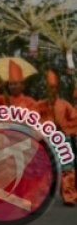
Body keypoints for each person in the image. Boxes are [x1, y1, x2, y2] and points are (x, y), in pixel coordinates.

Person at [37, 69, 77, 206]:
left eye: (53, 88)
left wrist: (64, 128)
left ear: (57, 88)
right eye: (49, 88)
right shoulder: (41, 105)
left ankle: (69, 196)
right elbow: (34, 121)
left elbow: (74, 120)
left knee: (67, 168)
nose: (51, 90)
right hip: (46, 140)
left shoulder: (64, 104)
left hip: (62, 140)